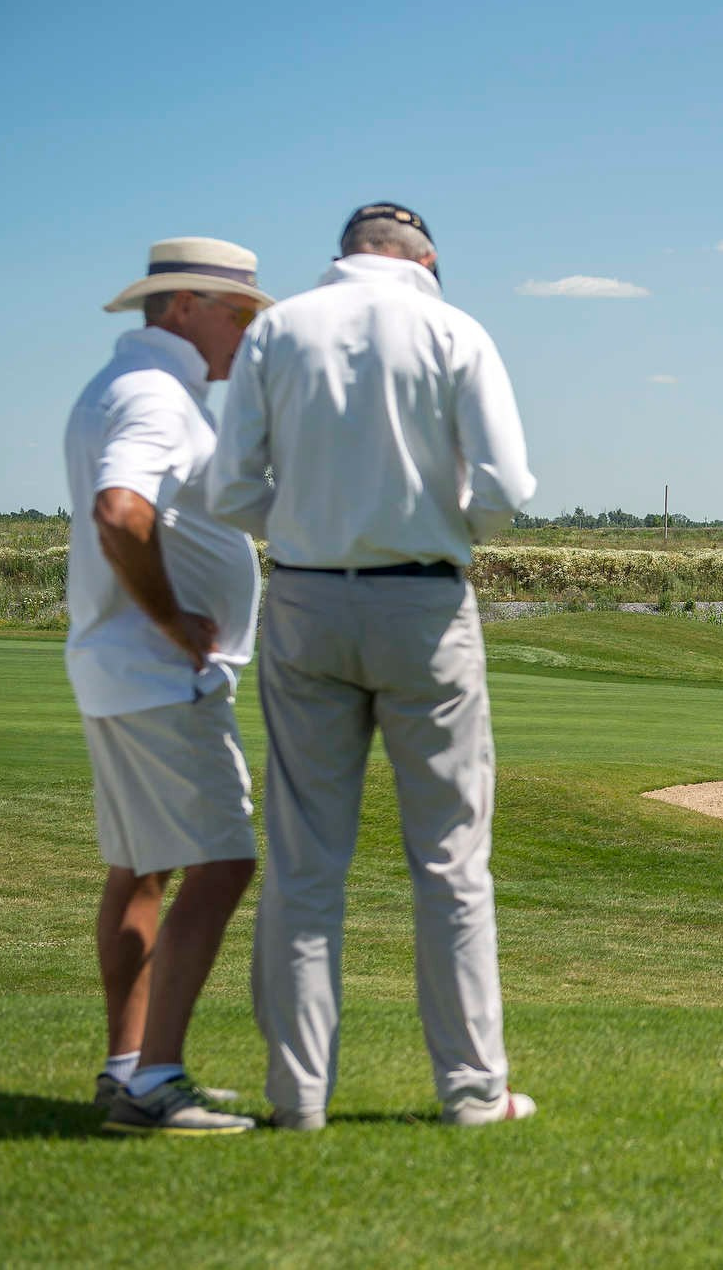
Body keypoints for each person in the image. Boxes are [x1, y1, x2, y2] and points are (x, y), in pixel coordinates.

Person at [210, 202, 538, 1130]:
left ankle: (298, 1097)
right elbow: (510, 488)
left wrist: (311, 527)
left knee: (306, 861)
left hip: (308, 600)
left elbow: (232, 486)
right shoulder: (453, 328)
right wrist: (441, 527)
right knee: (450, 860)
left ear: (344, 253)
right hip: (424, 604)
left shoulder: (277, 328)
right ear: (427, 257)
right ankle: (473, 1092)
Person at [67, 237, 274, 1135]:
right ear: (184, 305)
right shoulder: (156, 395)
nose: (246, 334)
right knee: (225, 861)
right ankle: (155, 1083)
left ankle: (127, 1067)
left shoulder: (123, 385)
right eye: (239, 314)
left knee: (142, 866)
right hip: (157, 675)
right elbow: (122, 511)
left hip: (119, 673)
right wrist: (172, 621)